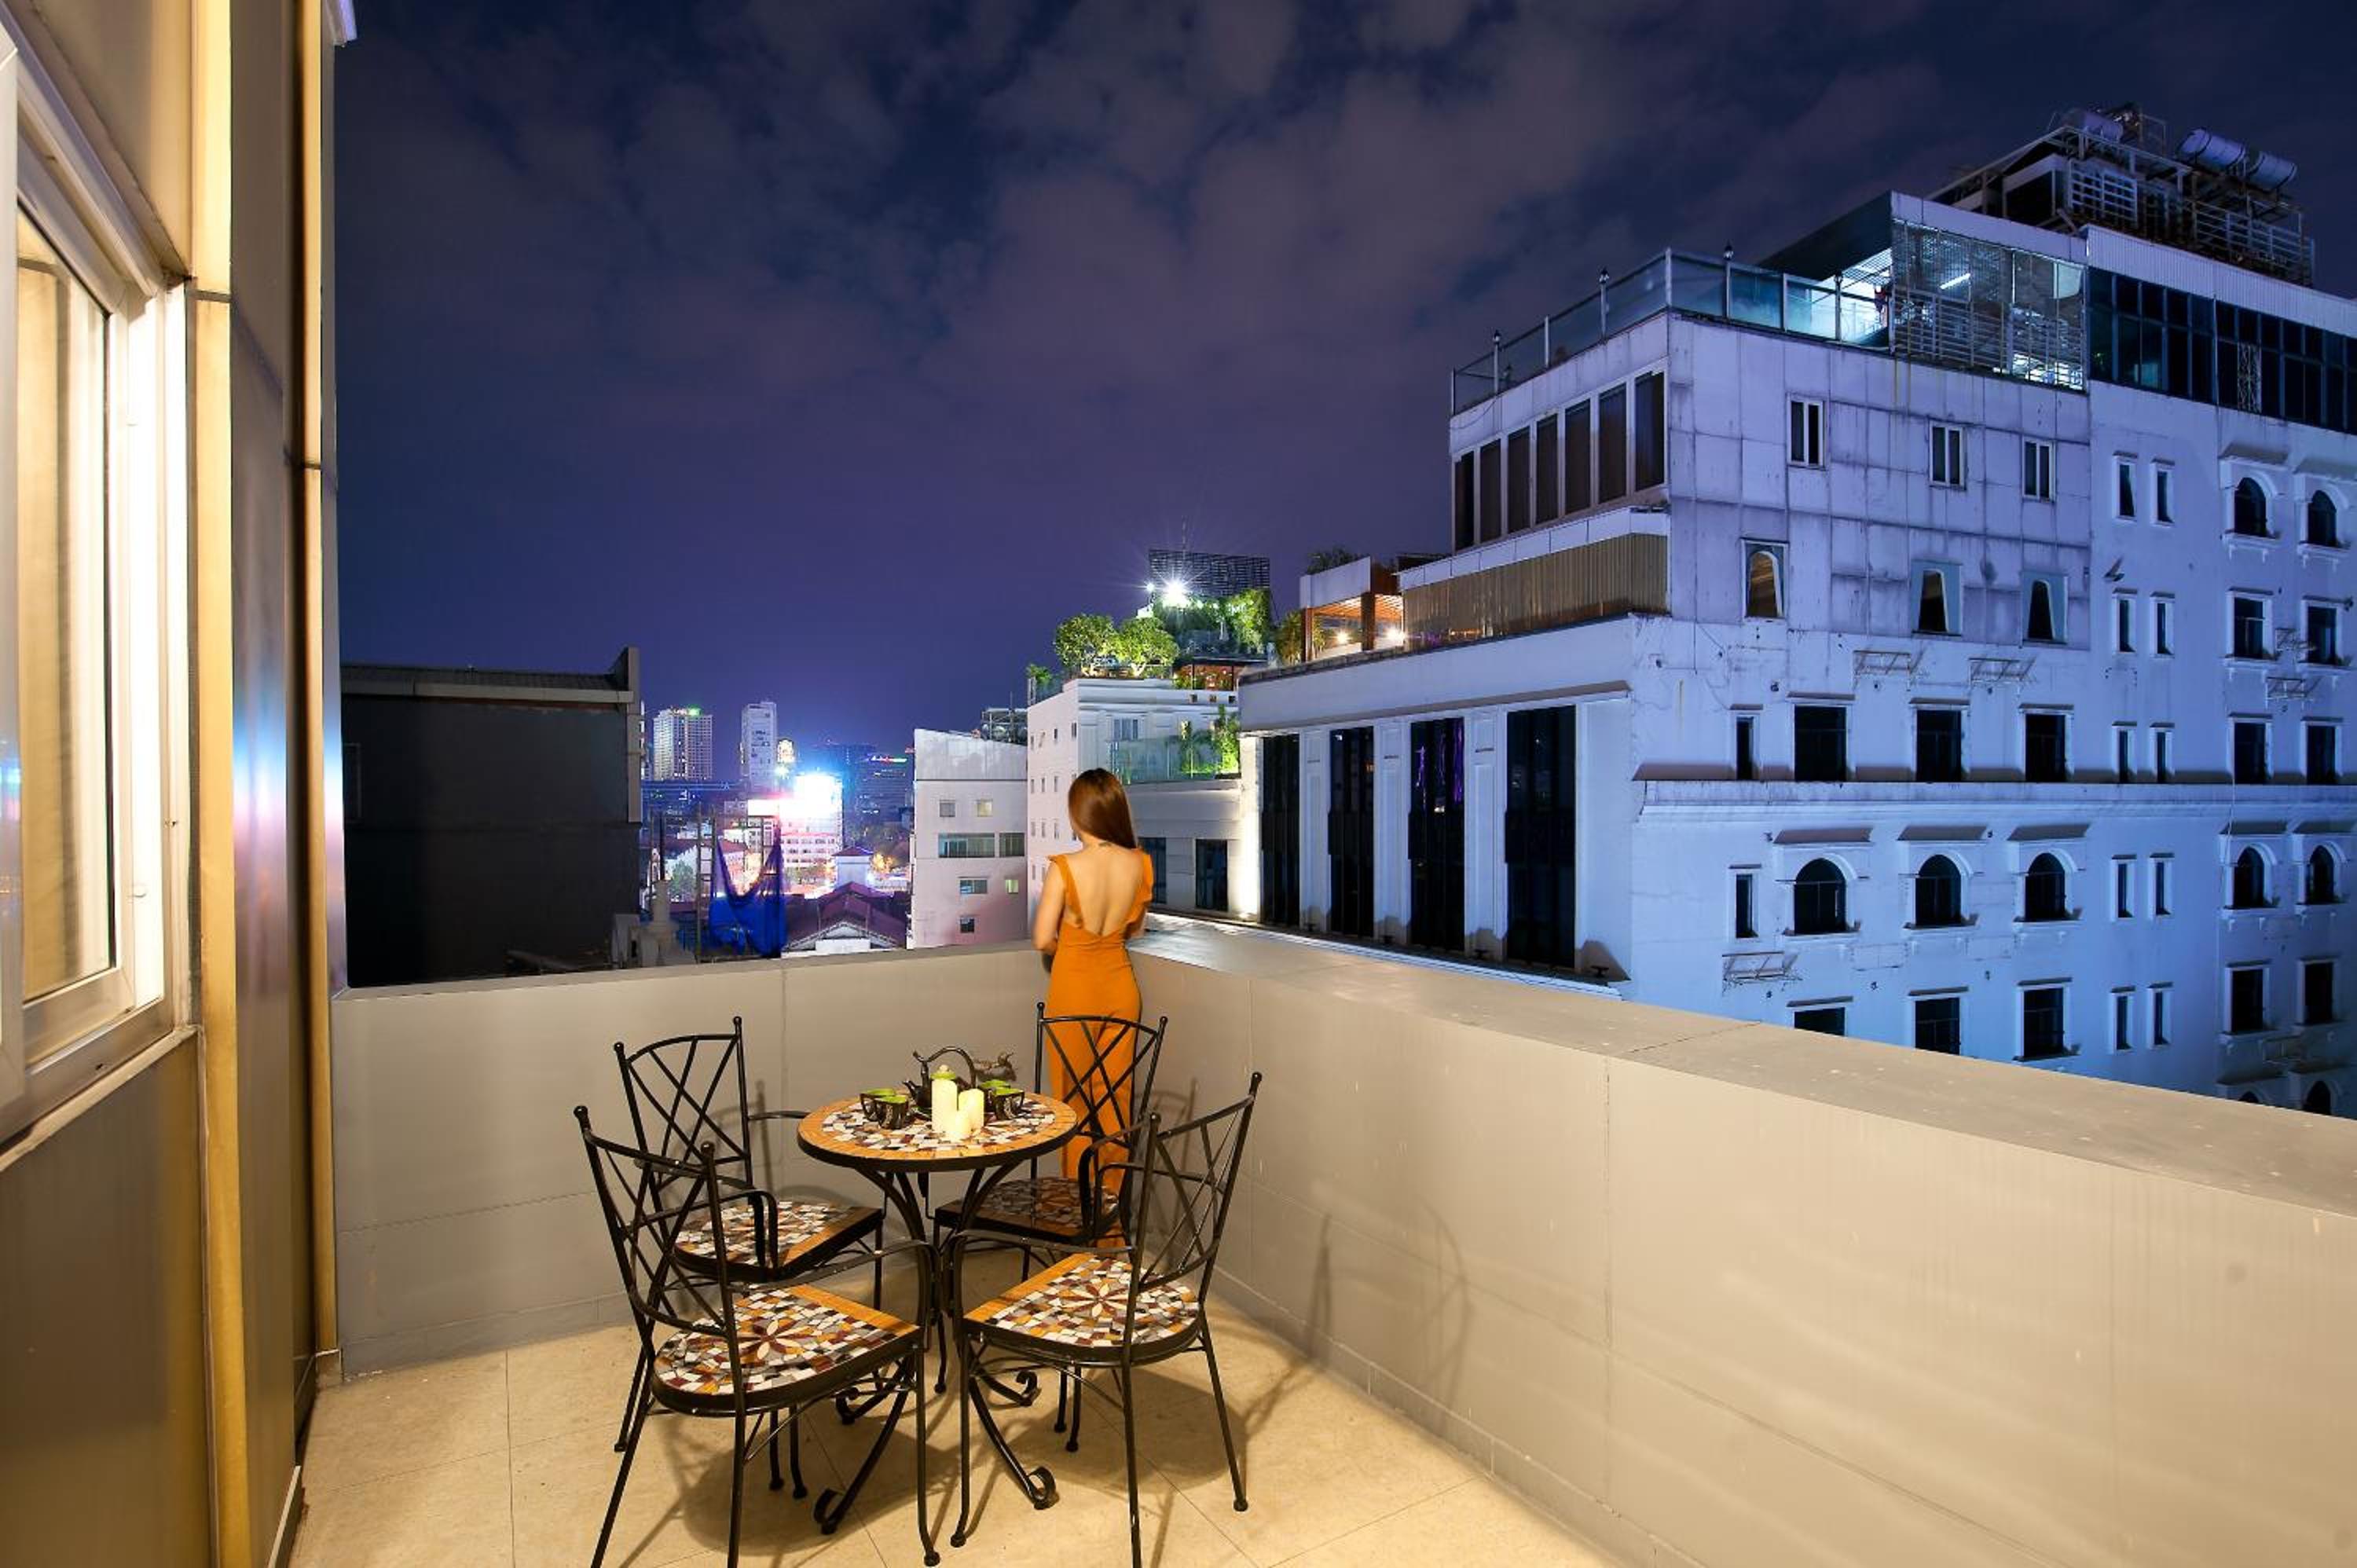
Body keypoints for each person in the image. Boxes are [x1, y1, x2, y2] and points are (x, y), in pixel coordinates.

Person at [1032, 768, 1153, 1181]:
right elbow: (1136, 929)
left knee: (1072, 1107)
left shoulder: (1065, 868)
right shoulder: (1139, 864)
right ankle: (1111, 1224)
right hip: (1121, 988)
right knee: (1115, 1105)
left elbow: (1042, 939)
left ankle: (1077, 1219)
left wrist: (1075, 947)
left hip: (1074, 989)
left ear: (1077, 814)